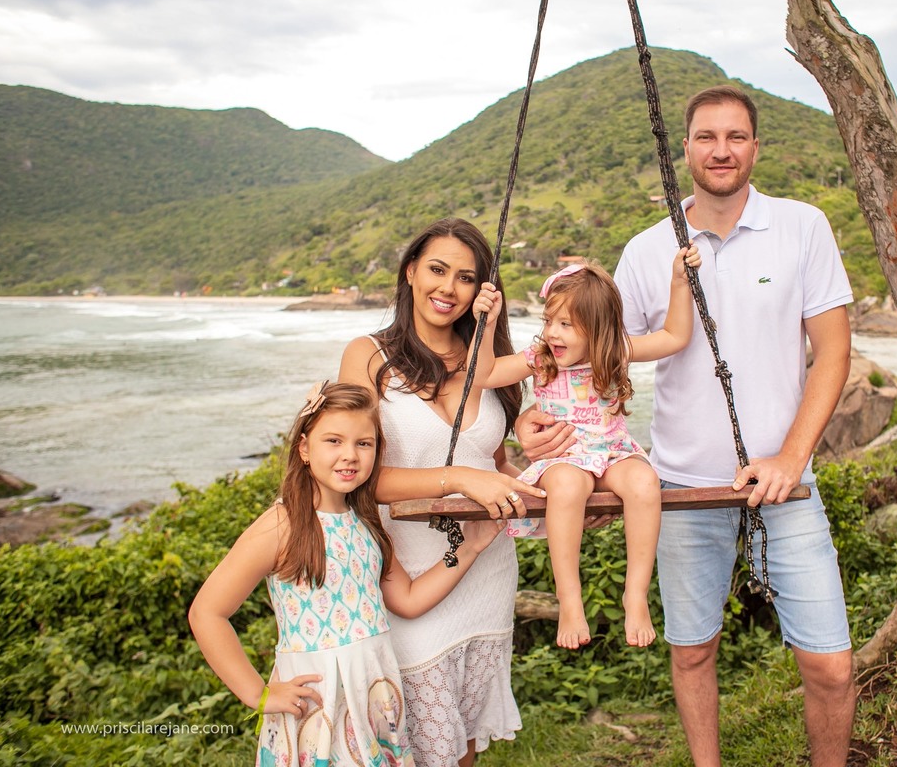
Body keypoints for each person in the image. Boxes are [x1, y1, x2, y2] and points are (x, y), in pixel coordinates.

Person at [518, 85, 857, 767]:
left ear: (756, 147)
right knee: (693, 650)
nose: (722, 149)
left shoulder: (804, 226)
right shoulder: (647, 251)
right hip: (677, 486)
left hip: (785, 485)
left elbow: (834, 352)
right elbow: (591, 358)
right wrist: (543, 424)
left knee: (831, 668)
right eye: (708, 136)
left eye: (736, 136)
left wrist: (791, 457)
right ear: (687, 149)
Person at [188, 381, 503, 767]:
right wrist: (258, 694)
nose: (349, 455)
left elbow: (407, 599)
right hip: (318, 707)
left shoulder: (368, 524)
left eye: (363, 443)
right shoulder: (282, 525)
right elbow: (206, 612)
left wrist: (468, 548)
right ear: (304, 448)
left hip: (374, 697)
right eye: (333, 441)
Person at [338, 218, 544, 767]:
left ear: (482, 292)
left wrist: (559, 502)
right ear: (410, 272)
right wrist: (457, 479)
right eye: (437, 269)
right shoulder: (368, 356)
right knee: (419, 744)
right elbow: (359, 475)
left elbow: (497, 467)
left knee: (464, 747)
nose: (448, 288)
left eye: (466, 277)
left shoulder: (492, 365)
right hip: (410, 575)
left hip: (487, 569)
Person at [470, 249, 700, 650]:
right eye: (548, 322)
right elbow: (486, 374)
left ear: (598, 330)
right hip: (566, 457)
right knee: (568, 486)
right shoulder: (540, 360)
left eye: (566, 324)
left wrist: (679, 282)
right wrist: (486, 326)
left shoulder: (613, 352)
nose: (553, 333)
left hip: (612, 452)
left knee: (646, 482)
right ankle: (569, 599)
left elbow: (675, 337)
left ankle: (636, 593)